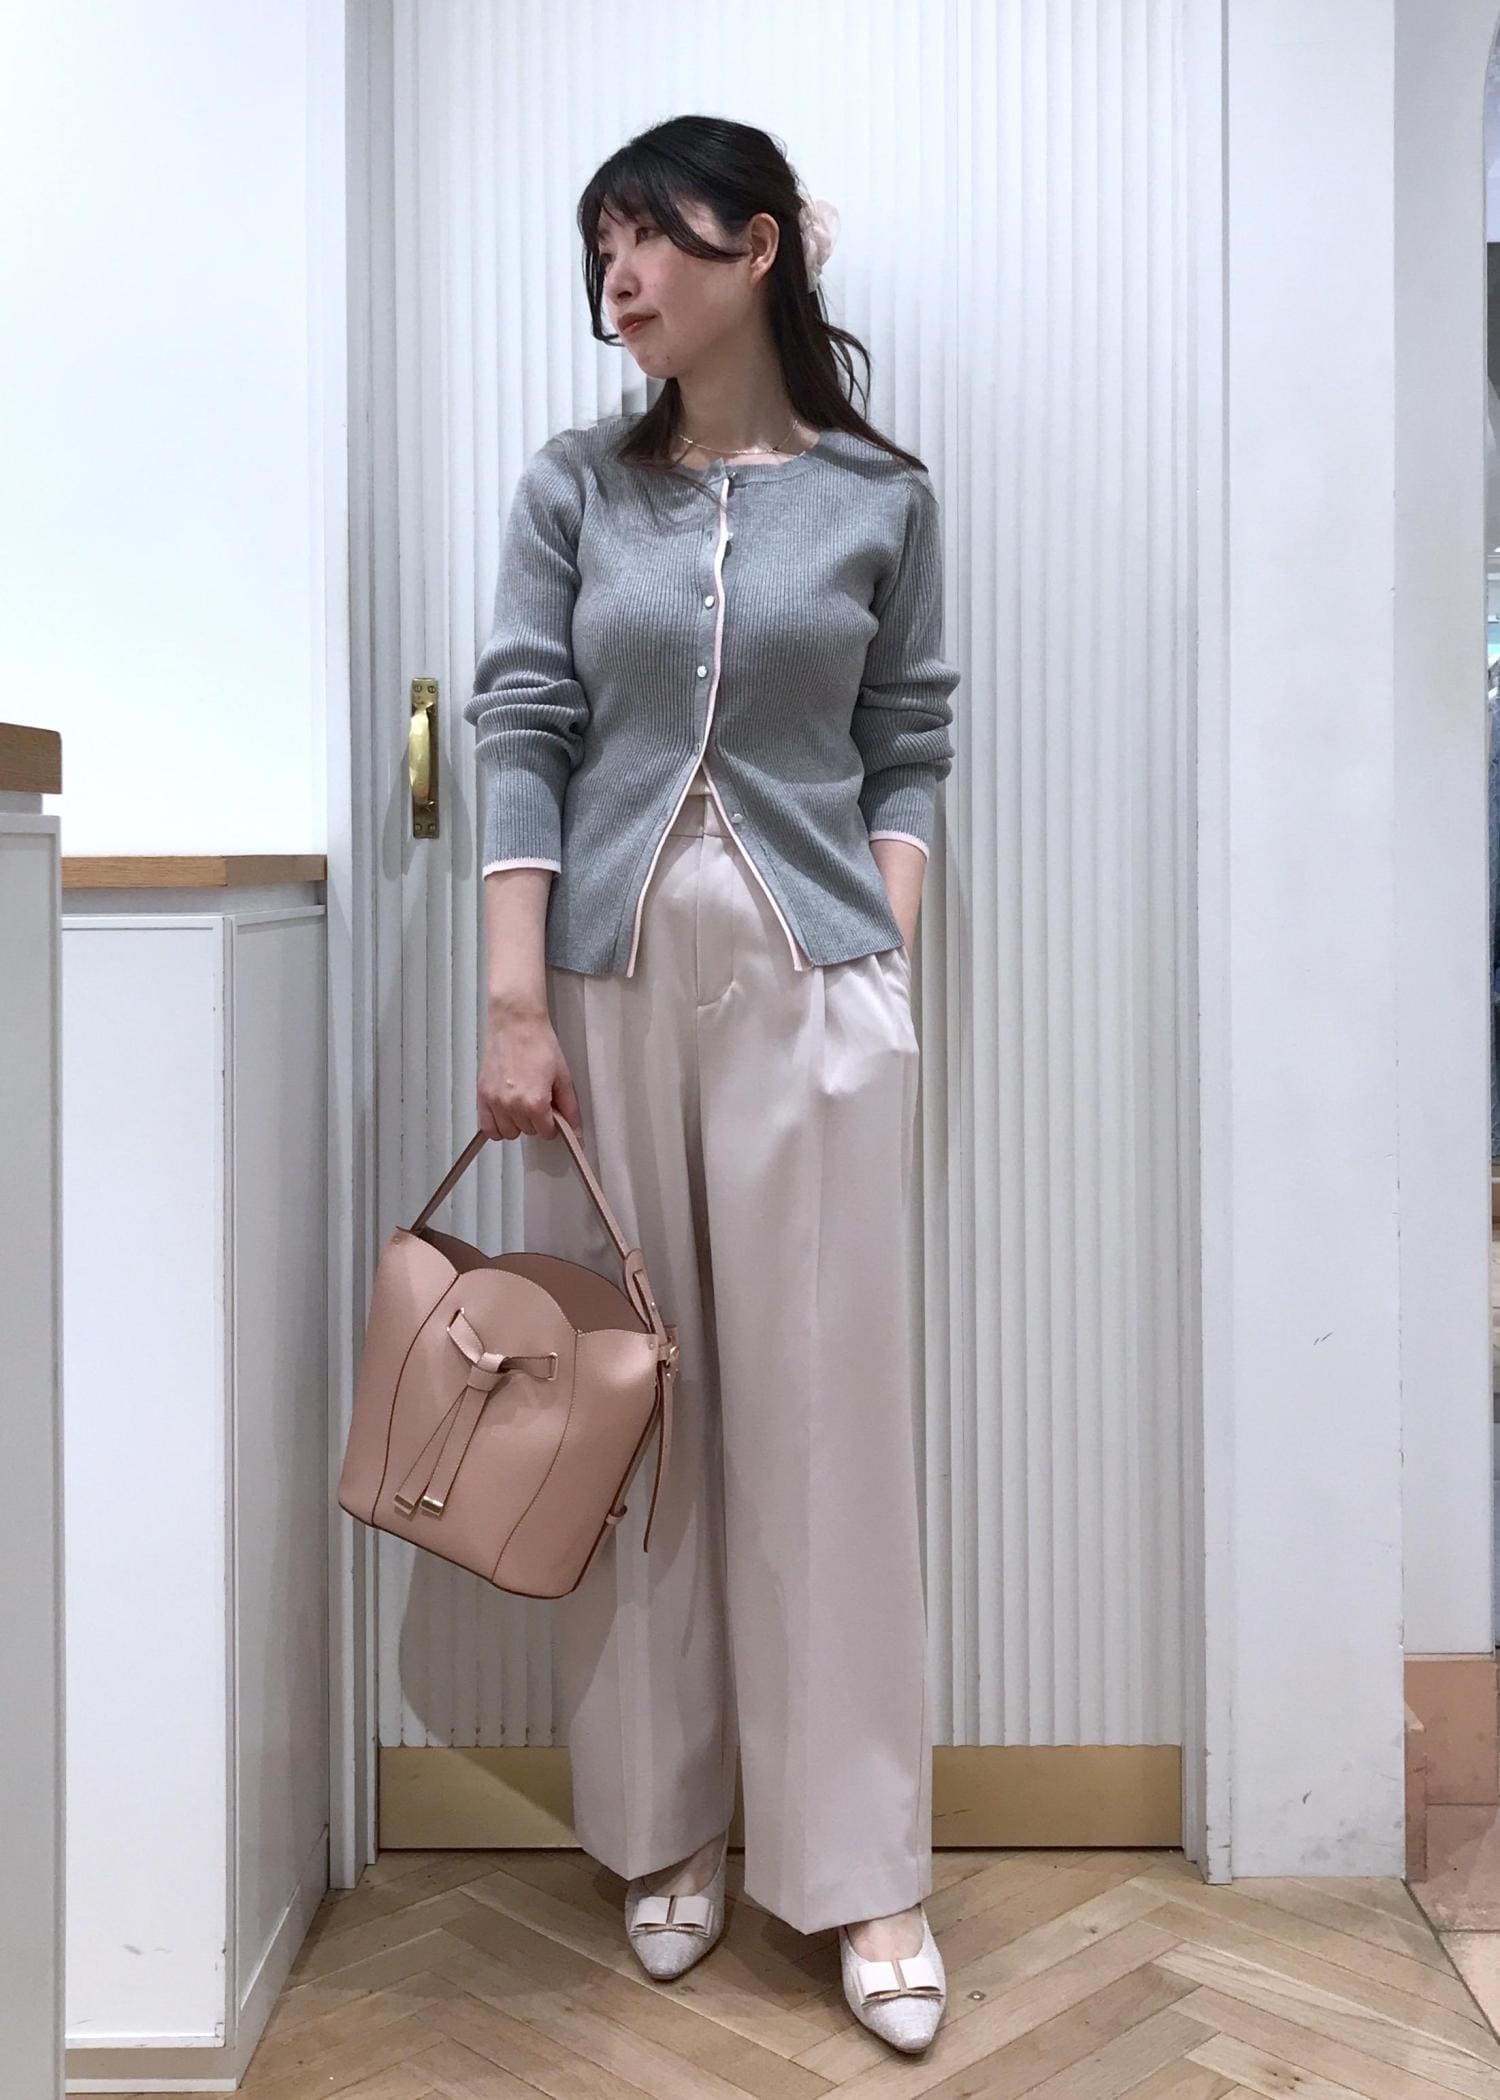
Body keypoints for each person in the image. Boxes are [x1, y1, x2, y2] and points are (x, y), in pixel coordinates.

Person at [463, 115, 961, 2055]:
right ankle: (662, 1823)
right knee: (634, 1410)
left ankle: (863, 1870)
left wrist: (882, 948)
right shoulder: (574, 486)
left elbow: (909, 737)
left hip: (814, 987)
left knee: (828, 1427)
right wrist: (514, 1004)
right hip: (600, 994)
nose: (617, 276)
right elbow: (524, 722)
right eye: (597, 246)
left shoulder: (880, 495)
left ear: (758, 247)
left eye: (649, 236)